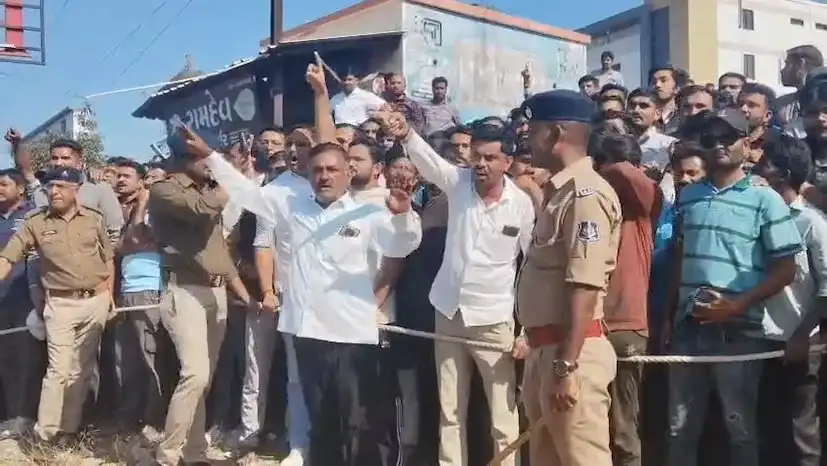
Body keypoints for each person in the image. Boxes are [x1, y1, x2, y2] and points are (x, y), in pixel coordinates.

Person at [184, 118, 423, 465]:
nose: (324, 176)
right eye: (317, 170)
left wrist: (403, 216)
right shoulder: (290, 206)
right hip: (307, 335)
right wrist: (211, 156)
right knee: (320, 425)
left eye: (332, 169)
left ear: (347, 173)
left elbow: (402, 245)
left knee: (358, 426)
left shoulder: (370, 211)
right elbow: (244, 191)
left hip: (352, 338)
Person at [385, 108, 535, 466]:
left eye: (490, 158)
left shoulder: (521, 204)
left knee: (502, 414)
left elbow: (531, 267)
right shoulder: (458, 183)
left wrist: (527, 329)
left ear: (507, 162)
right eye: (477, 156)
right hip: (449, 311)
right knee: (450, 411)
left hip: (494, 320)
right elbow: (431, 162)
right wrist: (406, 134)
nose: (480, 164)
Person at [662, 109, 803, 466]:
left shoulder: (765, 198)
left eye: (728, 137)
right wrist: (668, 315)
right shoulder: (689, 196)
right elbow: (680, 258)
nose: (719, 145)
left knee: (739, 429)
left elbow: (787, 269)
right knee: (679, 429)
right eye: (711, 139)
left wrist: (737, 305)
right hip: (688, 326)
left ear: (747, 142)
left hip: (739, 332)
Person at [516, 89, 621, 466]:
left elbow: (585, 285)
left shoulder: (584, 196)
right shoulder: (559, 193)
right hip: (546, 350)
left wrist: (566, 365)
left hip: (571, 353)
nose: (528, 140)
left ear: (556, 134)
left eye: (533, 132)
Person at [148, 131, 253, 466]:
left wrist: (245, 295)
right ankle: (167, 455)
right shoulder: (164, 189)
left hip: (216, 291)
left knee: (203, 380)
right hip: (184, 291)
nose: (211, 163)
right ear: (184, 158)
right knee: (194, 374)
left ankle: (193, 454)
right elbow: (202, 209)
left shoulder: (208, 188)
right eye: (205, 157)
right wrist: (227, 178)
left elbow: (218, 251)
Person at [0, 167, 115, 444]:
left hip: (96, 302)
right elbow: (8, 258)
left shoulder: (94, 218)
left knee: (80, 371)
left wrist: (109, 295)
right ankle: (46, 434)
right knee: (58, 371)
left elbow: (108, 259)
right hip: (60, 304)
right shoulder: (35, 221)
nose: (54, 192)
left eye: (61, 186)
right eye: (50, 186)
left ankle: (68, 431)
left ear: (77, 189)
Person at [753, 135, 826, 466]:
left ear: (782, 174)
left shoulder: (811, 223)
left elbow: (826, 289)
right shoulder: (755, 215)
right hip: (758, 341)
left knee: (801, 434)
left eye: (765, 163)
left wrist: (801, 334)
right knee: (766, 431)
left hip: (798, 343)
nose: (757, 169)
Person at [112, 158, 171, 439]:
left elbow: (137, 238)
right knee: (128, 360)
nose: (120, 180)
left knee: (151, 359)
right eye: (117, 175)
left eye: (127, 176)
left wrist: (145, 201)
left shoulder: (156, 209)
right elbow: (120, 246)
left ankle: (154, 421)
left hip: (149, 289)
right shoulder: (126, 210)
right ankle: (130, 417)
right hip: (127, 291)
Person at [0, 168, 41, 440]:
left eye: (3, 184)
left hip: (25, 299)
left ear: (21, 189)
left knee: (26, 360)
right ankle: (11, 417)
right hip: (1, 301)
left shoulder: (31, 216)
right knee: (5, 360)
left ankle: (27, 417)